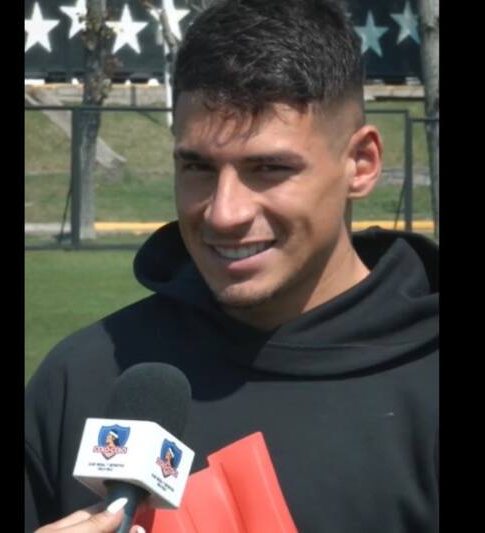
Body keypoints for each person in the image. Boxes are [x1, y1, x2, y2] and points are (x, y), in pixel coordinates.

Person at [25, 0, 439, 531]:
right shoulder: (81, 378)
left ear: (361, 165)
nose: (224, 214)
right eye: (197, 166)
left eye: (268, 167)